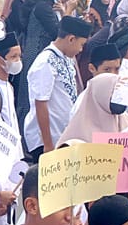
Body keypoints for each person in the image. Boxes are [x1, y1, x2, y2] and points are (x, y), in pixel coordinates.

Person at [23, 16, 91, 158]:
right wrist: (48, 145)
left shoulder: (67, 58)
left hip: (61, 135)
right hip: (47, 140)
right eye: (81, 44)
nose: (81, 49)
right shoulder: (45, 62)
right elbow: (41, 103)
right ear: (71, 39)